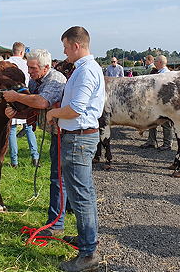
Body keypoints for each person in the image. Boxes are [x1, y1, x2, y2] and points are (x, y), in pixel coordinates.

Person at [46, 26, 105, 272]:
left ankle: (88, 254)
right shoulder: (85, 69)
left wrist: (54, 112)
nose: (64, 51)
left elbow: (76, 109)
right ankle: (87, 242)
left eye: (65, 46)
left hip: (79, 139)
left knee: (80, 197)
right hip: (79, 137)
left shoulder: (86, 71)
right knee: (85, 193)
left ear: (76, 45)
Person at [3, 49, 67, 236]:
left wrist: (15, 97)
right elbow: (30, 105)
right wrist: (16, 112)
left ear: (46, 67)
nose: (29, 71)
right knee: (64, 176)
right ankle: (66, 209)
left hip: (64, 134)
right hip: (57, 132)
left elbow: (41, 102)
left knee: (58, 178)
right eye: (29, 67)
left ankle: (56, 223)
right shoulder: (35, 80)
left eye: (33, 68)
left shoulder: (56, 79)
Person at [6, 42, 39, 168]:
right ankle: (35, 158)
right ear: (22, 52)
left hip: (12, 99)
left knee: (12, 130)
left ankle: (14, 162)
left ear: (13, 51)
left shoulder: (6, 64)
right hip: (26, 97)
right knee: (29, 128)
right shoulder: (27, 64)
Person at [143, 55, 174, 150]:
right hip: (156, 102)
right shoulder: (159, 72)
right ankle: (151, 141)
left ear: (160, 62)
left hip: (164, 102)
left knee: (166, 124)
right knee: (152, 122)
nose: (154, 63)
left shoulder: (166, 74)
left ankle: (167, 144)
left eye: (156, 61)